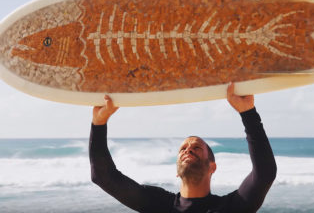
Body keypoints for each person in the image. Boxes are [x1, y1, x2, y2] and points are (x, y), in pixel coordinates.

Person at [89, 82, 277, 213]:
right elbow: (103, 176)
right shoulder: (158, 204)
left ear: (213, 166)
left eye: (196, 147)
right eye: (183, 149)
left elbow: (265, 173)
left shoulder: (231, 207)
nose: (188, 150)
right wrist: (98, 123)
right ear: (177, 171)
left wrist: (248, 113)